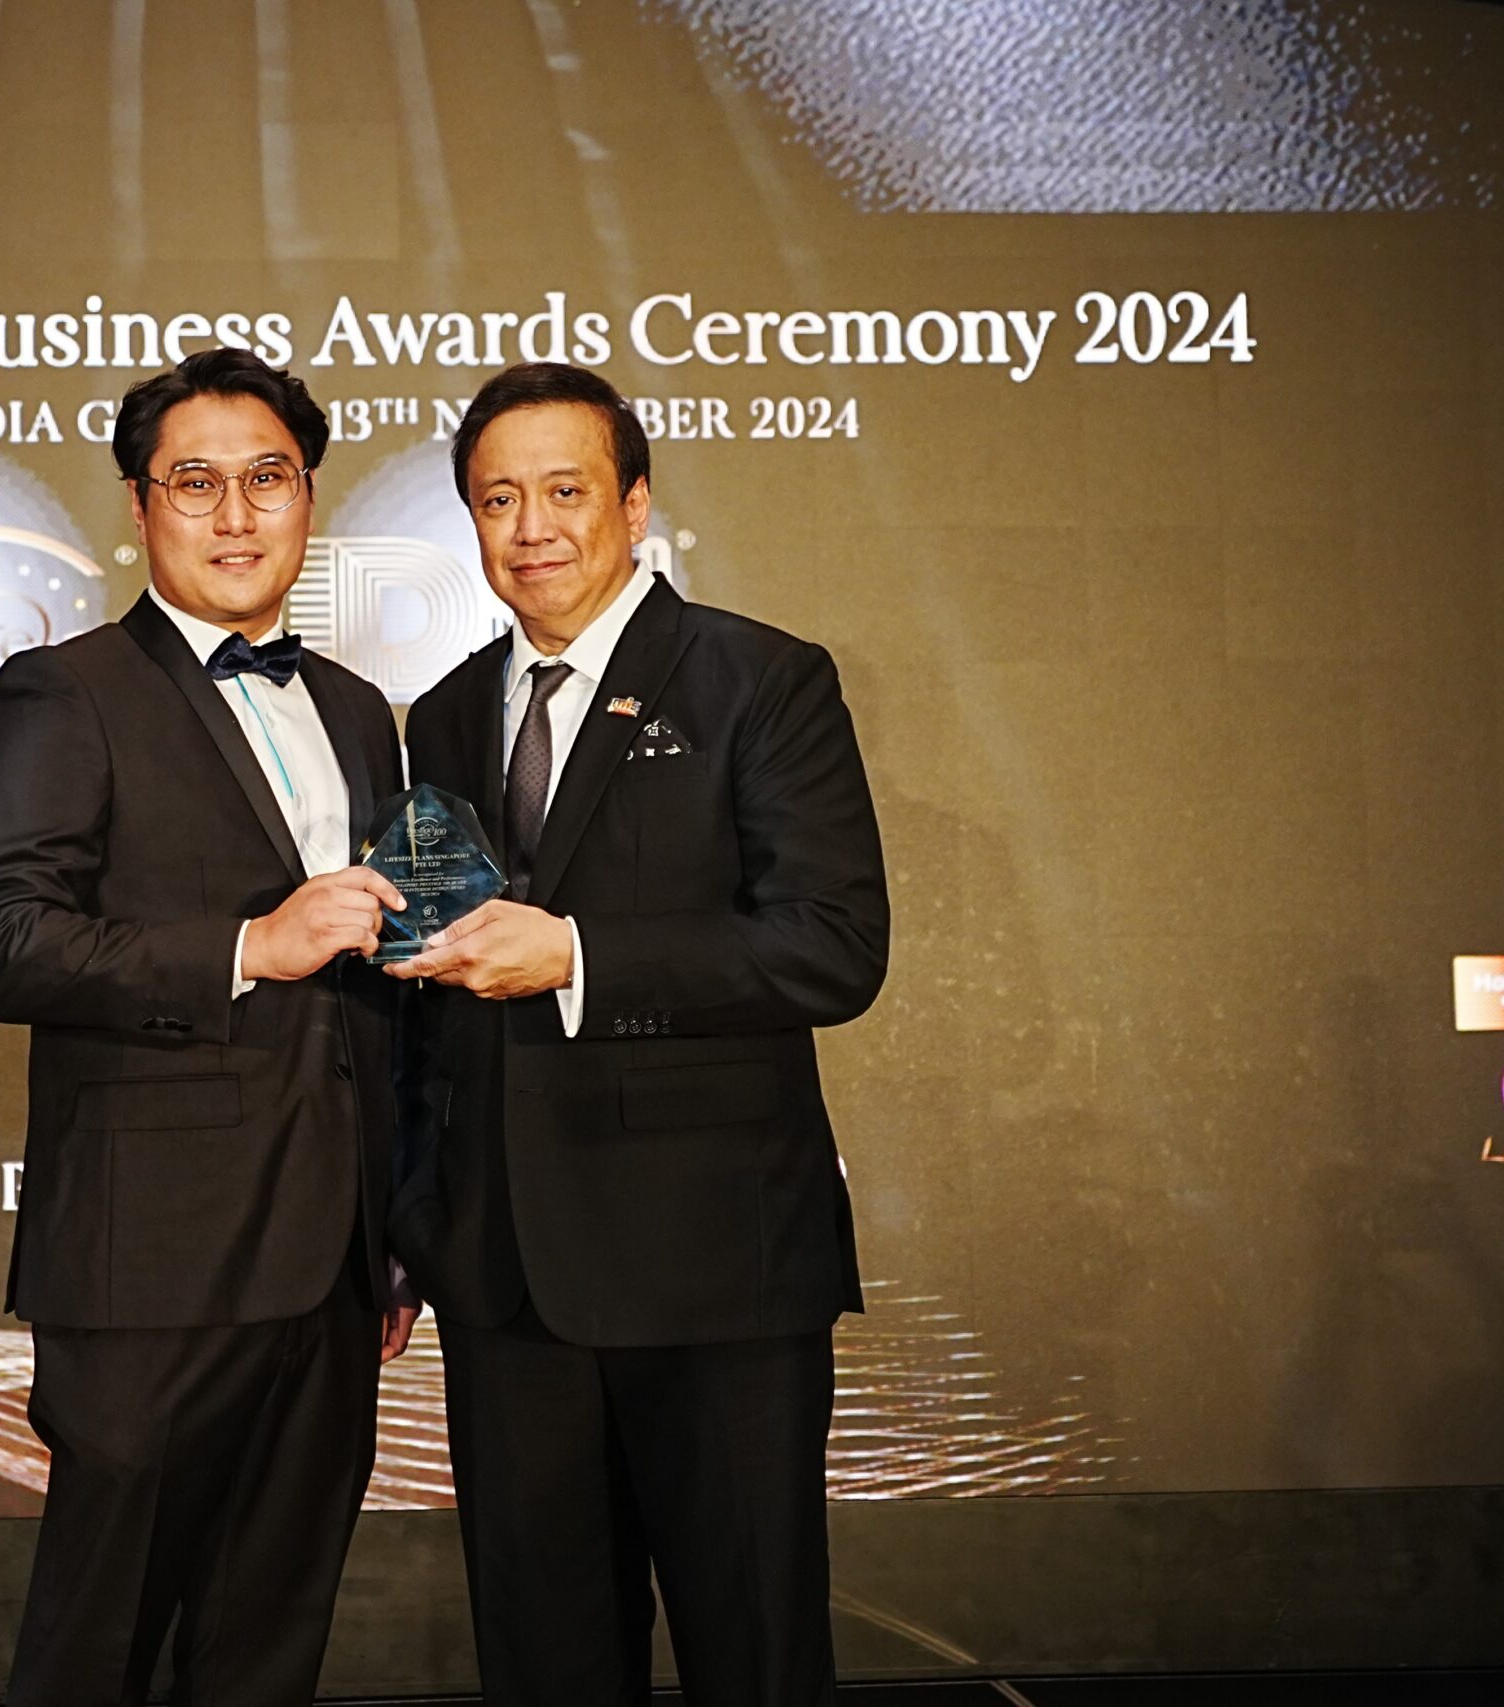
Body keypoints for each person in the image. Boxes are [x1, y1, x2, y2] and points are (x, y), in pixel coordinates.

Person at [386, 361, 888, 1707]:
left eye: (565, 491)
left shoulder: (760, 678)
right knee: (545, 1667)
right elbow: (428, 998)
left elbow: (832, 947)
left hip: (713, 1271)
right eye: (499, 499)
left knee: (752, 1659)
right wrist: (413, 1222)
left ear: (635, 503)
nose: (532, 528)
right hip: (505, 1282)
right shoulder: (443, 715)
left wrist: (579, 957)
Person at [0, 347, 420, 1707]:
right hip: (151, 1269)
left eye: (267, 478)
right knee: (98, 1649)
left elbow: (375, 993)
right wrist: (249, 947)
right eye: (195, 483)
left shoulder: (357, 712)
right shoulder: (67, 689)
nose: (235, 514)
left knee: (267, 1648)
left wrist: (396, 1228)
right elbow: (2, 943)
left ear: (308, 498)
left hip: (335, 1270)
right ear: (139, 506)